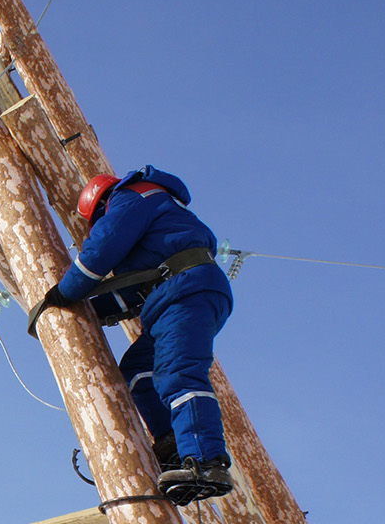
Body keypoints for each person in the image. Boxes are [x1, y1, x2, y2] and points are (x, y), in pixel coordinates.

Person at [26, 166, 233, 505]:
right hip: (176, 292)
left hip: (185, 290)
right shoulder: (159, 228)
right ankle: (173, 444)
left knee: (179, 373)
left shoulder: (132, 196)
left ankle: (205, 460)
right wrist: (84, 312)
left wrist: (65, 292)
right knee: (139, 370)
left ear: (101, 205)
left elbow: (102, 247)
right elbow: (134, 289)